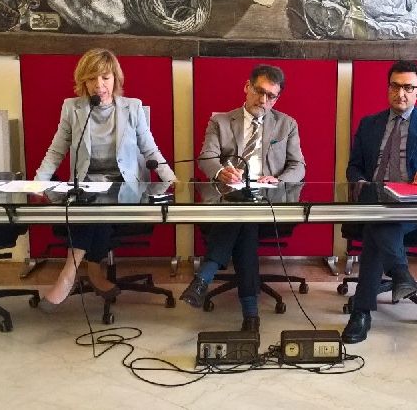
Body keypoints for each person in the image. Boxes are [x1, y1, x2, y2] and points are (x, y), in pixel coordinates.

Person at [34, 48, 177, 313]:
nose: (99, 85)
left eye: (105, 78)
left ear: (116, 79)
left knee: (98, 209)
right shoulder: (73, 108)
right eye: (92, 79)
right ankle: (92, 270)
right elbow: (56, 151)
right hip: (86, 184)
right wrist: (38, 183)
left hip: (125, 187)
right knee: (92, 207)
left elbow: (150, 150)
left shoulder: (132, 107)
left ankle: (69, 274)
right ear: (83, 82)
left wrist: (171, 178)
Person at [179, 64, 305, 333]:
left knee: (242, 220)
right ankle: (250, 313)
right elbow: (206, 158)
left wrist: (279, 180)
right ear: (247, 87)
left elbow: (298, 166)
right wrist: (221, 172)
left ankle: (204, 278)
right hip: (230, 197)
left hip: (269, 201)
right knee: (244, 221)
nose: (263, 100)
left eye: (271, 96)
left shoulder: (287, 124)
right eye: (259, 91)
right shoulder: (221, 121)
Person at [342, 60, 417, 343]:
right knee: (379, 218)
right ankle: (400, 274)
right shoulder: (369, 124)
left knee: (379, 225)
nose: (401, 93)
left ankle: (362, 312)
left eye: (408, 87)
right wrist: (361, 183)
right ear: (388, 88)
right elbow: (354, 167)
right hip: (374, 200)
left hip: (414, 204)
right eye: (395, 86)